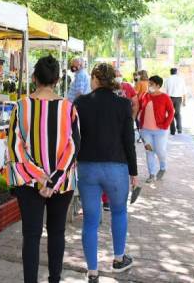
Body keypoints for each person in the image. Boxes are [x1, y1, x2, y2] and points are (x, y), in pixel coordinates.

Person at [6, 55, 80, 283]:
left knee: (31, 235)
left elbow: (14, 147)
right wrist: (53, 179)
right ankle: (55, 279)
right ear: (57, 79)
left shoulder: (21, 106)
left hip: (28, 183)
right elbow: (74, 146)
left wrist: (40, 178)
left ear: (34, 78)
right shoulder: (69, 108)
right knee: (57, 232)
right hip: (62, 183)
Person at [75, 63, 138, 282]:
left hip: (87, 168)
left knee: (90, 220)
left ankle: (92, 272)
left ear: (94, 78)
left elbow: (74, 137)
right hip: (116, 167)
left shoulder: (80, 102)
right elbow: (129, 141)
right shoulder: (123, 104)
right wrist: (134, 172)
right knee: (119, 212)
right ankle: (119, 259)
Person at [137, 76, 175, 183]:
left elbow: (171, 112)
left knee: (160, 151)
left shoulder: (165, 97)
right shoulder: (145, 95)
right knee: (149, 151)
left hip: (160, 131)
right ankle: (152, 174)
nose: (149, 86)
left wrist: (166, 124)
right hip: (145, 131)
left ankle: (163, 167)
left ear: (158, 86)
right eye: (149, 84)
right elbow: (140, 108)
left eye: (152, 84)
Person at [165, 67, 187, 136]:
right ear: (176, 72)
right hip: (178, 98)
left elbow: (165, 91)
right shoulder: (181, 79)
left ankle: (172, 131)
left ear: (170, 72)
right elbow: (184, 91)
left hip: (170, 98)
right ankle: (179, 129)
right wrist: (184, 101)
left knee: (170, 114)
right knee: (178, 113)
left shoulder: (167, 80)